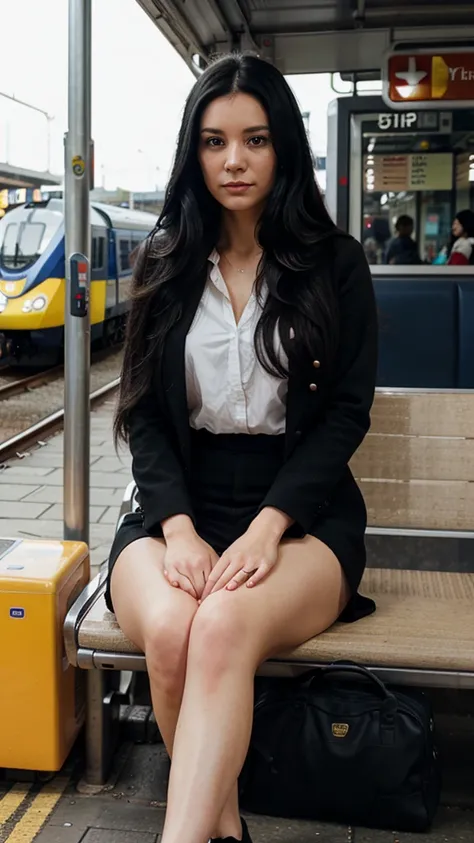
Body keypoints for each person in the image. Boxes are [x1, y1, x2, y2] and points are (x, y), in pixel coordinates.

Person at [107, 53, 378, 843]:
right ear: (193, 152)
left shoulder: (335, 264)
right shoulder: (164, 260)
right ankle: (222, 827)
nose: (234, 160)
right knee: (170, 627)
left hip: (303, 513)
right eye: (215, 141)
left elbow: (344, 415)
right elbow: (144, 417)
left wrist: (269, 524)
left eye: (255, 140)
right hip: (178, 502)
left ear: (284, 147)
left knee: (220, 623)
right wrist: (179, 528)